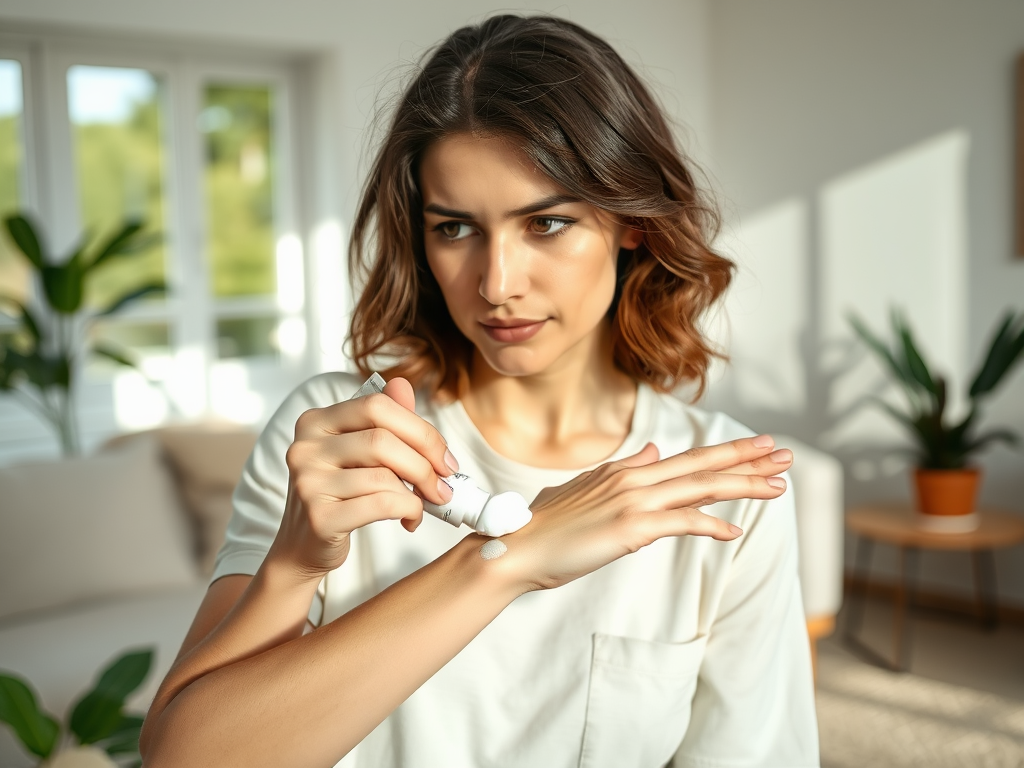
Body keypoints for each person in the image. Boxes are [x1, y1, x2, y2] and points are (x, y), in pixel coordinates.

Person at [140, 14, 819, 768]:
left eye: (548, 223)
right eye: (456, 229)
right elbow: (183, 759)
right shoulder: (339, 436)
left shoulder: (722, 487)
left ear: (633, 223)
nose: (497, 285)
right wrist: (309, 565)